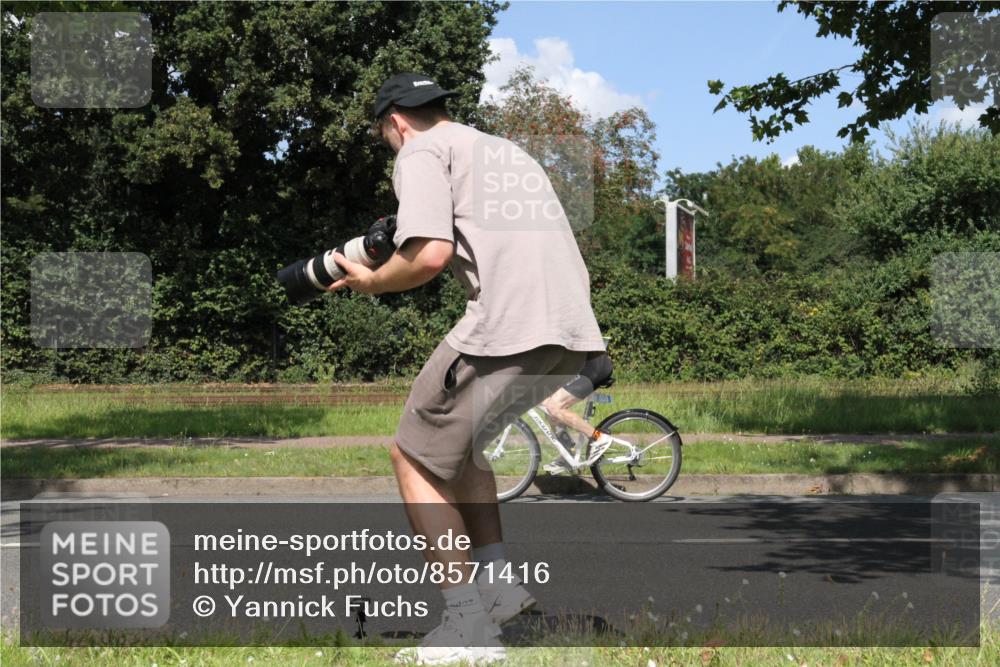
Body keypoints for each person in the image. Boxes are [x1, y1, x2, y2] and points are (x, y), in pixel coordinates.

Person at [328, 72, 606, 665]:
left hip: (511, 323)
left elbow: (429, 255)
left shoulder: (422, 149)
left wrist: (372, 282)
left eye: (386, 138)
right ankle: (498, 585)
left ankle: (466, 626)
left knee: (411, 453)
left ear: (395, 123)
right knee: (465, 446)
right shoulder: (503, 148)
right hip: (570, 331)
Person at [539, 350, 615, 474]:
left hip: (592, 367)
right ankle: (567, 453)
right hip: (581, 367)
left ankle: (598, 437)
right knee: (547, 404)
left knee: (555, 407)